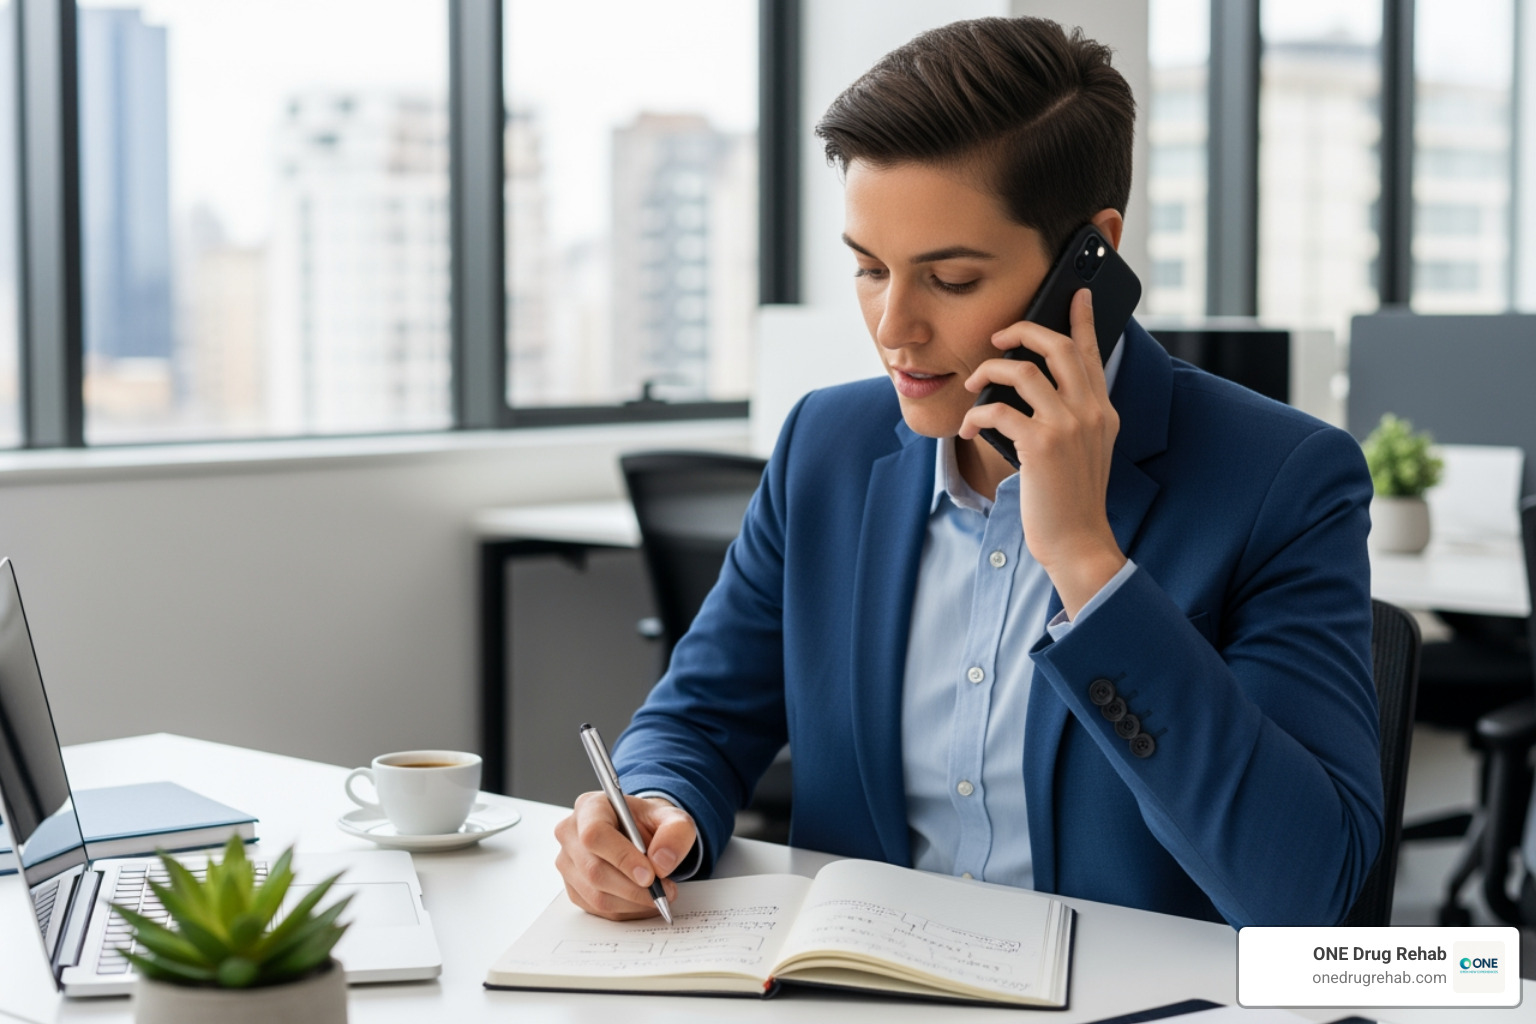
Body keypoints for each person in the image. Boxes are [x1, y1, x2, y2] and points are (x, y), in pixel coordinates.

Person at [554, 16, 1383, 929]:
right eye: (870, 269)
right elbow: (700, 717)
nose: (893, 327)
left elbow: (1305, 892)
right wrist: (658, 811)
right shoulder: (825, 446)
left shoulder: (1283, 479)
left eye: (949, 280)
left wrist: (1087, 564)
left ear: (1091, 256)